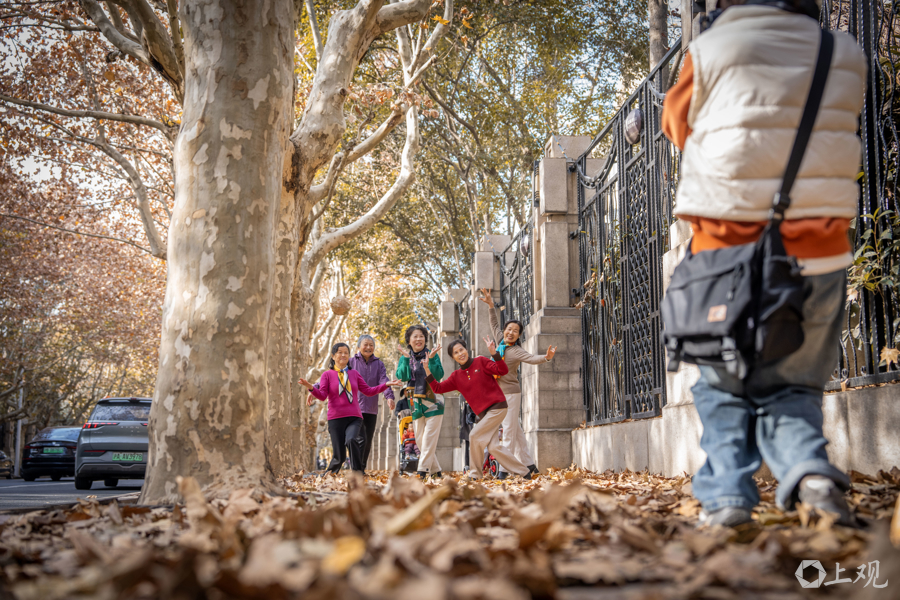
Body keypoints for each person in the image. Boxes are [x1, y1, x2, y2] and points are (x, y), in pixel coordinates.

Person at [661, 0, 866, 526]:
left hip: (724, 252)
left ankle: (728, 499)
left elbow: (677, 127)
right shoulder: (842, 51)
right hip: (816, 251)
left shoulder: (711, 49)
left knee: (722, 385)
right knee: (793, 385)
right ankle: (812, 477)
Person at [423, 337, 537, 480]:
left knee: (474, 435)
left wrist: (494, 353)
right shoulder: (456, 377)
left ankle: (475, 474)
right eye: (456, 353)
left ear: (466, 349)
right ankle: (524, 472)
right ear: (453, 358)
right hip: (484, 415)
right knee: (493, 447)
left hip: (497, 407)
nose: (460, 354)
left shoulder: (480, 361)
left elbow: (502, 370)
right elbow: (437, 388)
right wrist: (426, 369)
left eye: (461, 350)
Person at [479, 288, 557, 479]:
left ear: (518, 335)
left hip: (511, 394)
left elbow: (532, 358)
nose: (511, 332)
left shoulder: (516, 351)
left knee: (509, 432)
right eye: (509, 329)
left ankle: (504, 471)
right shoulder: (500, 342)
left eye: (515, 331)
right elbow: (494, 323)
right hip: (497, 393)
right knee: (516, 430)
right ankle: (529, 465)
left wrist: (546, 357)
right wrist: (490, 305)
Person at [299, 343, 401, 474]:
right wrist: (311, 388)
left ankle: (358, 473)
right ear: (333, 356)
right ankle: (329, 475)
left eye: (346, 353)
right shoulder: (327, 375)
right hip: (335, 418)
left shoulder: (354, 374)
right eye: (340, 352)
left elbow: (368, 391)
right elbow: (323, 396)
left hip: (354, 417)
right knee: (339, 456)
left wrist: (386, 384)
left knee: (352, 439)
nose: (343, 355)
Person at [396, 325, 444, 479]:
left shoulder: (432, 355)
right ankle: (436, 471)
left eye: (421, 336)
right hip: (415, 402)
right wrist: (405, 359)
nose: (419, 339)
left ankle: (422, 472)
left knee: (429, 437)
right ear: (409, 341)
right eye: (415, 336)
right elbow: (402, 376)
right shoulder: (405, 357)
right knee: (419, 439)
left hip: (433, 400)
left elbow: (438, 375)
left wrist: (431, 360)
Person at [349, 334, 395, 471]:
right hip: (354, 408)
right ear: (359, 346)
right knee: (359, 439)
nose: (368, 347)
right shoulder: (351, 362)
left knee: (367, 440)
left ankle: (361, 468)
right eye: (366, 344)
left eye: (371, 345)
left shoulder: (378, 364)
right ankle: (356, 469)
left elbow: (383, 380)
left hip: (371, 408)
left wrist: (389, 396)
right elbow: (336, 377)